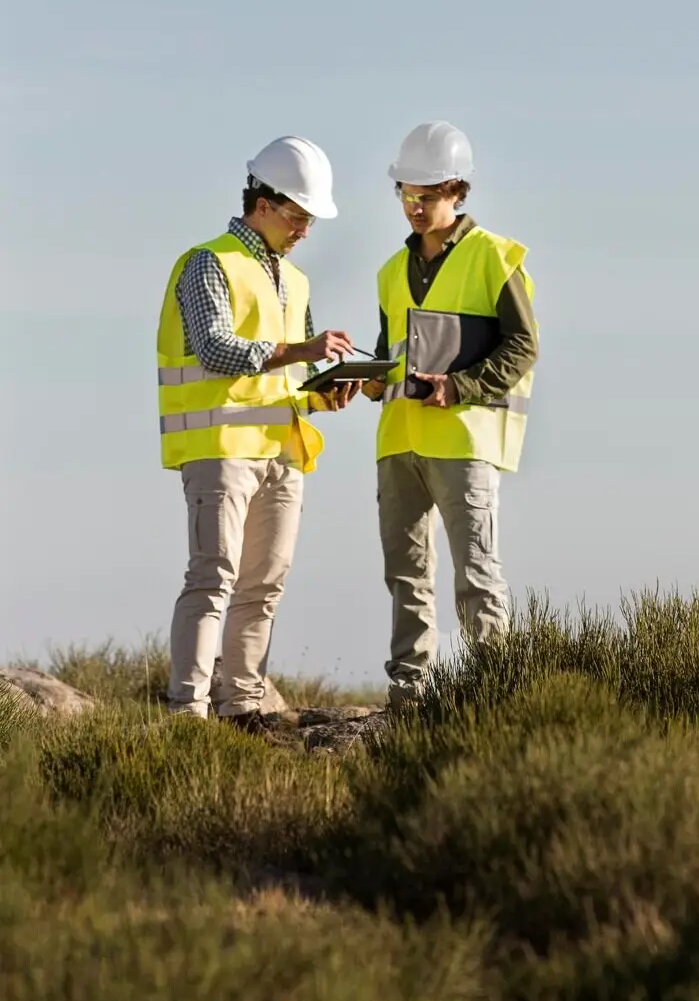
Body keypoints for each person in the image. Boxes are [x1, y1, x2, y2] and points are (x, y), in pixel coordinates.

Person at [156, 136, 360, 725]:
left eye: (310, 221)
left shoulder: (296, 282)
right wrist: (301, 350)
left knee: (264, 586)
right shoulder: (208, 262)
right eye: (298, 217)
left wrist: (325, 393)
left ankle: (244, 707)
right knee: (212, 579)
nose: (305, 231)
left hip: (281, 452)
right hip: (220, 448)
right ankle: (188, 710)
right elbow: (215, 348)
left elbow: (292, 374)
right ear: (263, 204)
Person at [367, 121, 538, 704]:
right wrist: (369, 380)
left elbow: (523, 346)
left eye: (426, 195)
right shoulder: (390, 271)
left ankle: (493, 697)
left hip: (464, 442)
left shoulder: (494, 257)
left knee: (477, 575)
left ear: (457, 191)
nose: (413, 206)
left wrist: (461, 386)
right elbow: (392, 351)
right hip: (399, 442)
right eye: (405, 194)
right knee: (406, 576)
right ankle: (409, 695)